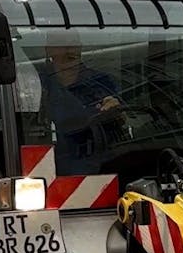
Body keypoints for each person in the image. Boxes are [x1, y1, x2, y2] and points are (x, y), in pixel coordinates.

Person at [36, 42, 125, 174]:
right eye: (61, 44)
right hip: (49, 170)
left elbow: (125, 123)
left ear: (80, 48)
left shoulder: (102, 82)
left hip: (103, 167)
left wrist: (117, 114)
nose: (68, 49)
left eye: (73, 43)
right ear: (48, 49)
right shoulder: (36, 83)